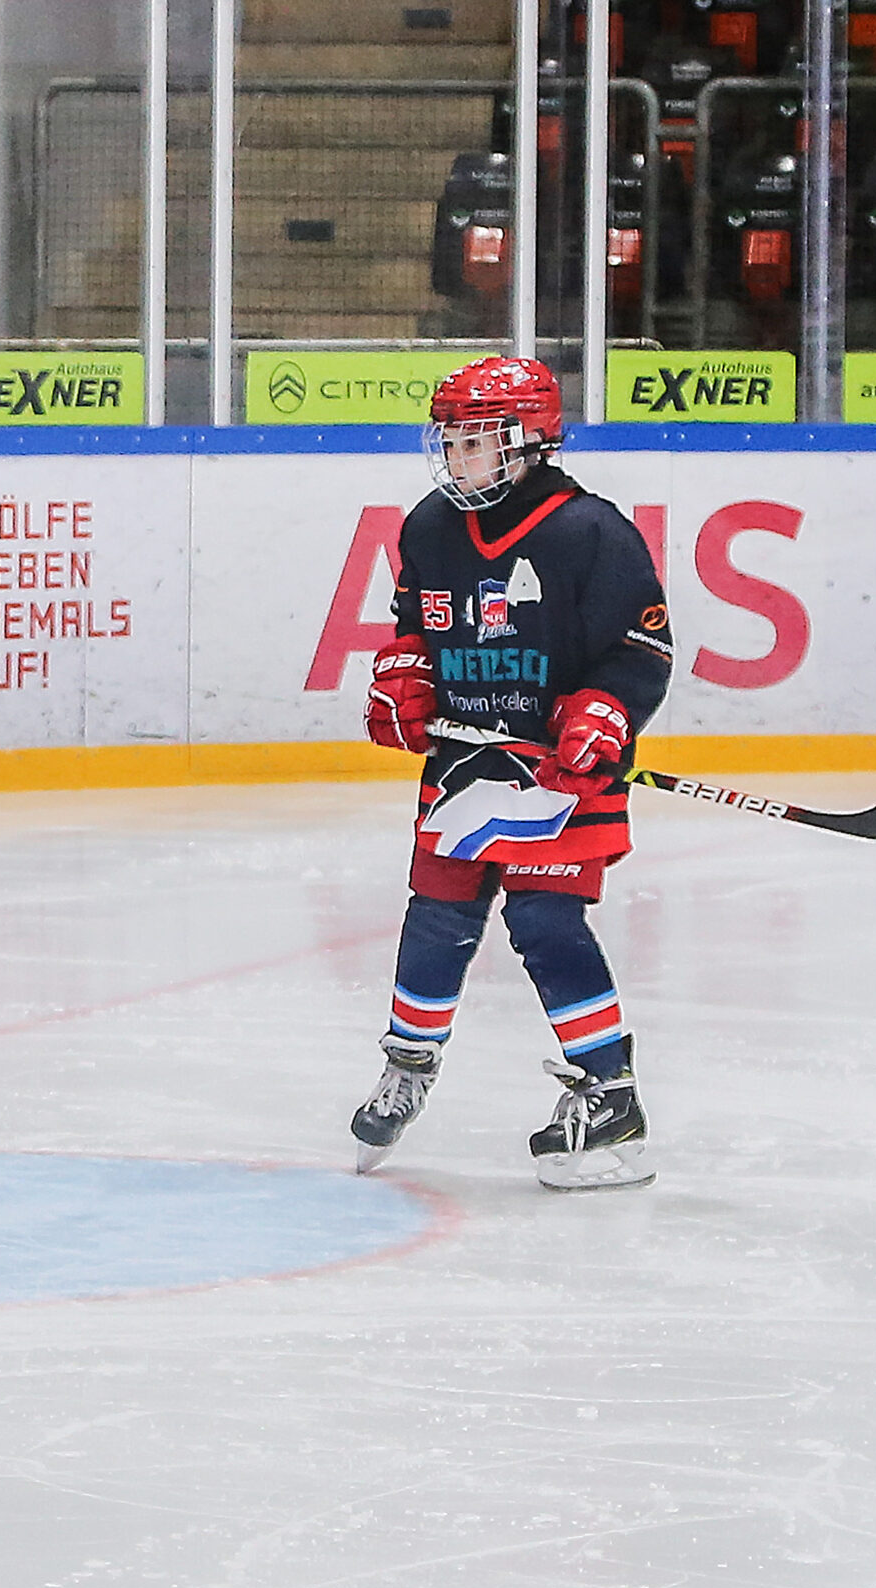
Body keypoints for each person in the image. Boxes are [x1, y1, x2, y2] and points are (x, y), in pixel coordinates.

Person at [352, 355, 674, 1190]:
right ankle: (408, 1061)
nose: (456, 456)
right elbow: (415, 629)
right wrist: (406, 679)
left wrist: (604, 707)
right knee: (436, 916)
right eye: (450, 440)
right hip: (464, 765)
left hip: (561, 775)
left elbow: (641, 649)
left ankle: (611, 1093)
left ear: (529, 442)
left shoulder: (590, 532)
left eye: (476, 441)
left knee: (544, 921)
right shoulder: (429, 527)